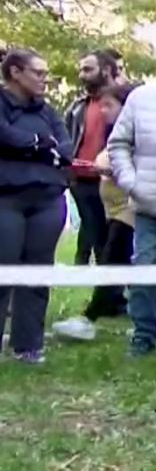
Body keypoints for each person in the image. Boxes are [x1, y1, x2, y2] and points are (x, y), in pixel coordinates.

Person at [108, 52, 156, 356]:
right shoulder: (141, 98)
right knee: (145, 267)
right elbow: (118, 144)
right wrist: (131, 182)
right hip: (148, 200)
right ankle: (143, 334)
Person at [52, 83, 140, 341]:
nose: (102, 111)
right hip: (115, 210)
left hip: (129, 210)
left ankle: (88, 320)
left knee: (113, 263)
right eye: (101, 105)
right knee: (124, 267)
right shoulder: (116, 132)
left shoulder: (137, 134)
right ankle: (155, 319)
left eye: (109, 105)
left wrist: (110, 168)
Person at [0, 48, 72, 364]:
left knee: (38, 270)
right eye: (38, 73)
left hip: (48, 198)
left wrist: (43, 147)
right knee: (4, 269)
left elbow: (66, 146)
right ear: (15, 72)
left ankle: (28, 346)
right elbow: (8, 137)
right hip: (7, 197)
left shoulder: (48, 111)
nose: (45, 79)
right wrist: (37, 145)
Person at [65, 51, 116, 268]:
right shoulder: (78, 107)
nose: (82, 75)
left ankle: (109, 296)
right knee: (97, 238)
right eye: (81, 70)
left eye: (88, 69)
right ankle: (105, 295)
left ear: (105, 71)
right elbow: (68, 140)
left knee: (113, 242)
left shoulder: (123, 103)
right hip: (82, 182)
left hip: (112, 182)